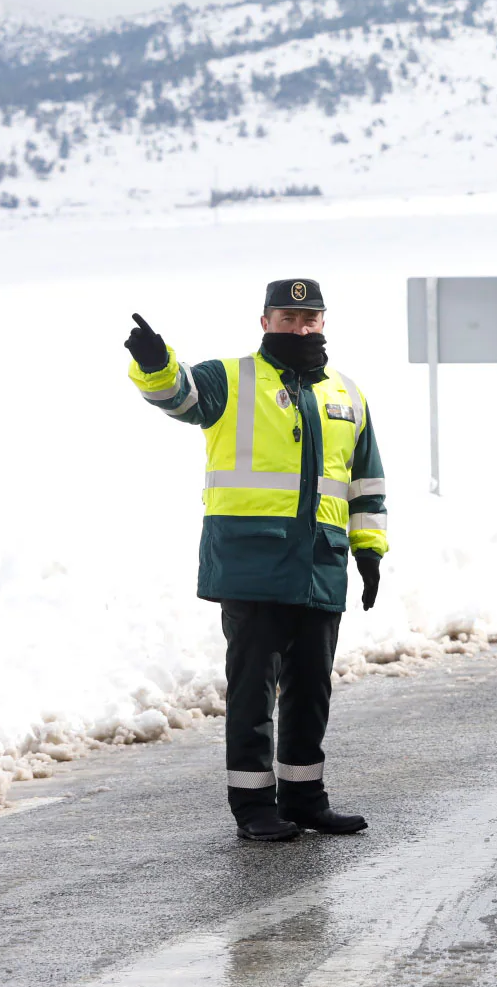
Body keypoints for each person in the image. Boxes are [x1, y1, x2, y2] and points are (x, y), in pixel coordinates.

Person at [124, 279, 388, 842]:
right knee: (252, 693)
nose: (299, 328)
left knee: (311, 690)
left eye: (309, 319)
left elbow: (365, 485)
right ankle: (252, 807)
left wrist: (369, 552)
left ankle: (304, 798)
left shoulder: (346, 394)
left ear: (323, 322)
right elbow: (179, 394)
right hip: (251, 564)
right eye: (288, 318)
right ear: (265, 321)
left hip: (321, 564)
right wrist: (154, 363)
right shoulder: (231, 379)